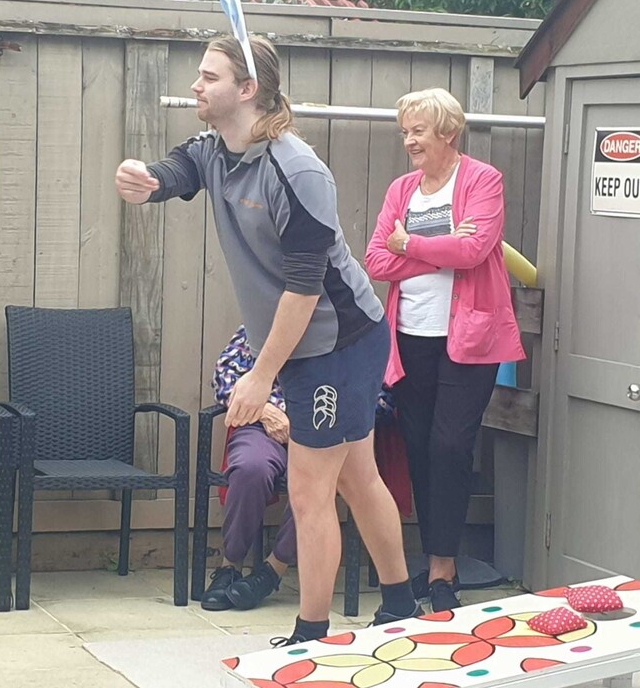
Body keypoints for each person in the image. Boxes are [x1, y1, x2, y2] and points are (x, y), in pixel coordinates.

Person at [116, 35, 421, 645]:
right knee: (358, 477)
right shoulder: (215, 150)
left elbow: (304, 291)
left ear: (248, 89)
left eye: (210, 77)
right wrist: (146, 180)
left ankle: (312, 634)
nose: (196, 86)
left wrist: (260, 377)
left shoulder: (297, 171)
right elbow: (179, 169)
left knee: (309, 491)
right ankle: (401, 605)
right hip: (305, 345)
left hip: (338, 343)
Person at [365, 87, 525, 613]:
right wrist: (442, 250)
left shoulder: (482, 180)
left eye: (418, 131)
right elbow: (375, 260)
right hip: (410, 337)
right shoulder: (402, 190)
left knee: (450, 446)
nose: (409, 141)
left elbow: (475, 249)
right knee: (418, 447)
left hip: (470, 340)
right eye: (405, 132)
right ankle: (438, 564)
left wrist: (409, 244)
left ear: (448, 132)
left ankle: (442, 568)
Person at [200, 325, 295, 612]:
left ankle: (273, 569)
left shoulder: (348, 327)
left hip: (320, 430)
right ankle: (230, 565)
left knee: (316, 483)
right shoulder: (262, 324)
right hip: (262, 425)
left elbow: (379, 398)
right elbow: (224, 377)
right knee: (249, 468)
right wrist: (264, 409)